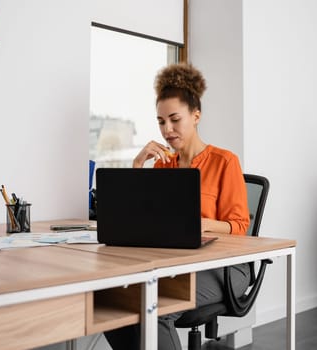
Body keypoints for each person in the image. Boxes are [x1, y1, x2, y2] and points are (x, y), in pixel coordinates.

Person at [104, 63, 251, 349]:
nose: (167, 129)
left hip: (225, 267)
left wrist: (202, 224)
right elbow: (135, 221)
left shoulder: (225, 161)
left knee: (156, 308)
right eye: (160, 122)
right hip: (177, 264)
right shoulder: (163, 165)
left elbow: (241, 227)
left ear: (195, 116)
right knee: (115, 305)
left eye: (174, 119)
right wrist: (137, 166)